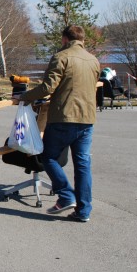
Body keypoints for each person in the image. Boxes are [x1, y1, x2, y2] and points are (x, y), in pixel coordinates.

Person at [17, 25, 100, 222]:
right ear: (82, 40)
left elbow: (48, 87)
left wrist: (25, 97)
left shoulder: (61, 57)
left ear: (64, 39)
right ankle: (83, 211)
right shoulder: (93, 60)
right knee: (82, 165)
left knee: (48, 157)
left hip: (64, 117)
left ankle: (65, 195)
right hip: (87, 119)